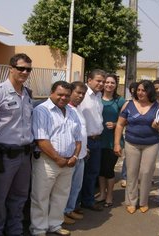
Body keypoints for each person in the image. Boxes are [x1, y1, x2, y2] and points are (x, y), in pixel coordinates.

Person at [0, 53, 34, 235]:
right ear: (10, 69)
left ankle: (15, 231)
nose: (24, 72)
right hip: (3, 157)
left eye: (28, 69)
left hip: (24, 156)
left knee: (19, 198)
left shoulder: (27, 94)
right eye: (21, 68)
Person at [30, 81, 82, 236]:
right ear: (51, 92)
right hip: (47, 161)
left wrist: (74, 156)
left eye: (67, 95)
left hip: (68, 162)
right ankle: (39, 229)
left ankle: (55, 225)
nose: (63, 98)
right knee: (41, 196)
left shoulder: (72, 112)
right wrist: (58, 158)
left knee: (61, 195)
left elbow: (78, 139)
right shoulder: (42, 110)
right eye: (60, 94)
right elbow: (41, 139)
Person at [114, 80, 159, 214]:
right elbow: (120, 124)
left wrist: (158, 126)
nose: (140, 93)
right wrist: (116, 143)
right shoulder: (129, 105)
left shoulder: (157, 107)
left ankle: (143, 201)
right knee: (131, 173)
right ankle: (131, 201)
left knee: (146, 172)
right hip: (132, 143)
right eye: (138, 90)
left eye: (144, 90)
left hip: (151, 144)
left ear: (150, 92)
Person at [95, 74, 125, 207]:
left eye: (112, 83)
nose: (109, 85)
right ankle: (102, 194)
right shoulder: (96, 98)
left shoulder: (119, 101)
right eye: (106, 82)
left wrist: (115, 124)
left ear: (116, 85)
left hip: (113, 140)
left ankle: (109, 196)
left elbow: (127, 119)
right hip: (98, 139)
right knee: (100, 169)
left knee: (109, 169)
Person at [79, 69, 106, 211]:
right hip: (85, 140)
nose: (101, 84)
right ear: (89, 80)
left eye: (103, 81)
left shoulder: (98, 95)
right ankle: (74, 205)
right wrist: (82, 142)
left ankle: (88, 201)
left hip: (97, 140)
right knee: (79, 175)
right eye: (98, 81)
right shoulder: (81, 94)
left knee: (92, 173)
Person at [63, 81, 88, 224]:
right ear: (70, 92)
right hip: (71, 156)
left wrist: (85, 148)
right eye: (77, 92)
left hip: (81, 155)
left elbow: (81, 133)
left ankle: (69, 210)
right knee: (65, 187)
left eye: (83, 94)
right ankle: (61, 213)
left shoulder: (78, 109)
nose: (80, 96)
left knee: (76, 186)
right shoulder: (66, 109)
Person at [121, 81, 138, 188]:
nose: (134, 94)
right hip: (130, 135)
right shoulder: (128, 103)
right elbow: (121, 119)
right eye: (132, 92)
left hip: (143, 137)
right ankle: (125, 177)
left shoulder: (147, 103)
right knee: (128, 158)